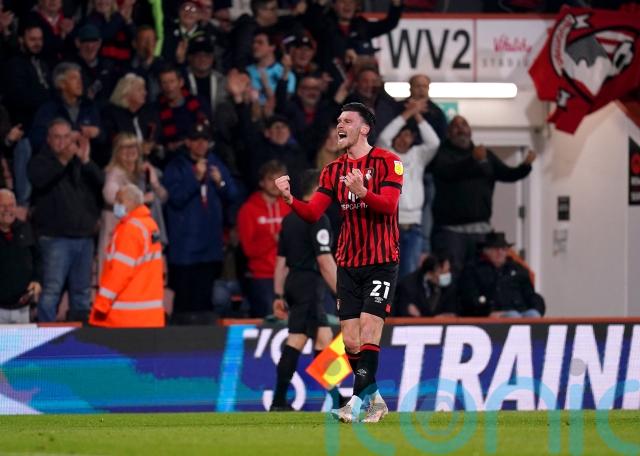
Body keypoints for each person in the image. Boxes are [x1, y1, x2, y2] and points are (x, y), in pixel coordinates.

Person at [274, 102, 404, 423]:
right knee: (350, 339)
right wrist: (290, 199)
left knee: (370, 328)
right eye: (338, 121)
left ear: (365, 128)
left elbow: (388, 206)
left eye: (347, 121)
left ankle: (356, 404)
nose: (340, 126)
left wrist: (362, 191)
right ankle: (375, 402)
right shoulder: (333, 170)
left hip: (381, 260)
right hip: (348, 262)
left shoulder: (389, 162)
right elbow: (312, 212)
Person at [270, 169, 343, 411]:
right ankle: (278, 401)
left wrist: (278, 294)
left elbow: (280, 262)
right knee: (297, 339)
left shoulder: (290, 219)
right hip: (309, 285)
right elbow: (325, 261)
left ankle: (337, 398)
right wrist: (342, 293)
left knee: (323, 338)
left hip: (293, 282)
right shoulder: (318, 217)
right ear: (319, 188)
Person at [430, 115, 536, 273]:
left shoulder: (486, 155)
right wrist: (472, 159)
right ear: (448, 133)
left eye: (464, 125)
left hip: (481, 230)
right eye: (455, 126)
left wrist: (525, 166)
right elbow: (449, 172)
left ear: (470, 130)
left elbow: (508, 174)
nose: (461, 129)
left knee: (481, 275)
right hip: (451, 232)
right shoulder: (441, 155)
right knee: (451, 276)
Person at [28, 118, 104, 322]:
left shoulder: (78, 162)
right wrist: (63, 160)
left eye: (66, 137)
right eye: (57, 137)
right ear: (48, 139)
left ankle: (80, 337)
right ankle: (45, 337)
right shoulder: (40, 161)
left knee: (82, 293)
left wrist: (86, 160)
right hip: (55, 238)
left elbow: (101, 184)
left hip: (84, 238)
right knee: (51, 291)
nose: (62, 142)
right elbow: (40, 180)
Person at [162, 123, 239, 323]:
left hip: (209, 244)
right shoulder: (176, 166)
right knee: (185, 301)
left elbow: (233, 194)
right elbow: (175, 198)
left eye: (205, 140)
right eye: (196, 140)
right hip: (185, 246)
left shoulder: (215, 164)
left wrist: (220, 182)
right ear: (188, 142)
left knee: (206, 300)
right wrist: (195, 179)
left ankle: (204, 337)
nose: (201, 144)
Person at [377, 98, 439, 279]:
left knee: (410, 277)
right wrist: (408, 113)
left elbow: (434, 142)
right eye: (401, 135)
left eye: (409, 136)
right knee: (388, 276)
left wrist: (417, 115)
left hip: (414, 226)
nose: (404, 139)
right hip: (389, 226)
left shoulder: (418, 155)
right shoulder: (385, 154)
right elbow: (384, 137)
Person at [89, 184, 165, 327]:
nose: (116, 205)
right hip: (150, 315)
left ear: (129, 202)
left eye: (119, 200)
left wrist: (101, 303)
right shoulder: (150, 225)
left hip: (127, 317)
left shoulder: (130, 229)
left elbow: (120, 272)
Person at [98, 133, 168, 278]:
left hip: (138, 236)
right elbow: (110, 196)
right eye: (125, 148)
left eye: (133, 147)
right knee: (117, 278)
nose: (130, 152)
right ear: (117, 152)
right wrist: (142, 198)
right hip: (117, 235)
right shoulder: (114, 173)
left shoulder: (141, 173)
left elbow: (163, 198)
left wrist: (154, 182)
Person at [238, 159, 291, 317]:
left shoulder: (289, 205)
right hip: (262, 277)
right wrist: (273, 238)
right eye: (270, 179)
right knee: (271, 320)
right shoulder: (248, 210)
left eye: (279, 179)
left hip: (289, 275)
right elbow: (248, 250)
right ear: (261, 182)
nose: (276, 184)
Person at [458, 231, 545, 318]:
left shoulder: (518, 269)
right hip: (493, 315)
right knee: (512, 316)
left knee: (533, 314)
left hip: (521, 312)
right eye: (495, 249)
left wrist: (537, 309)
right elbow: (469, 298)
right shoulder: (473, 270)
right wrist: (487, 312)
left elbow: (530, 294)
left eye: (503, 249)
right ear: (485, 251)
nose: (500, 252)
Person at [0, 189, 41, 324]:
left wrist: (37, 280)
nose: (7, 210)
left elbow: (38, 258)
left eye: (11, 205)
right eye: (2, 206)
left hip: (22, 308)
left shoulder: (26, 228)